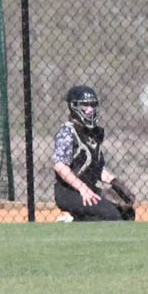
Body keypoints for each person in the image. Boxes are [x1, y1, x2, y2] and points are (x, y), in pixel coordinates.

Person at [53, 85, 132, 221]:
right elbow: (60, 167)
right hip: (69, 192)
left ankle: (76, 218)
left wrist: (114, 182)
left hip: (88, 189)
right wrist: (83, 189)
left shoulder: (94, 133)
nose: (90, 110)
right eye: (85, 106)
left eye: (93, 105)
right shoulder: (67, 132)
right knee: (110, 216)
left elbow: (96, 168)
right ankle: (71, 221)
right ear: (74, 106)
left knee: (127, 214)